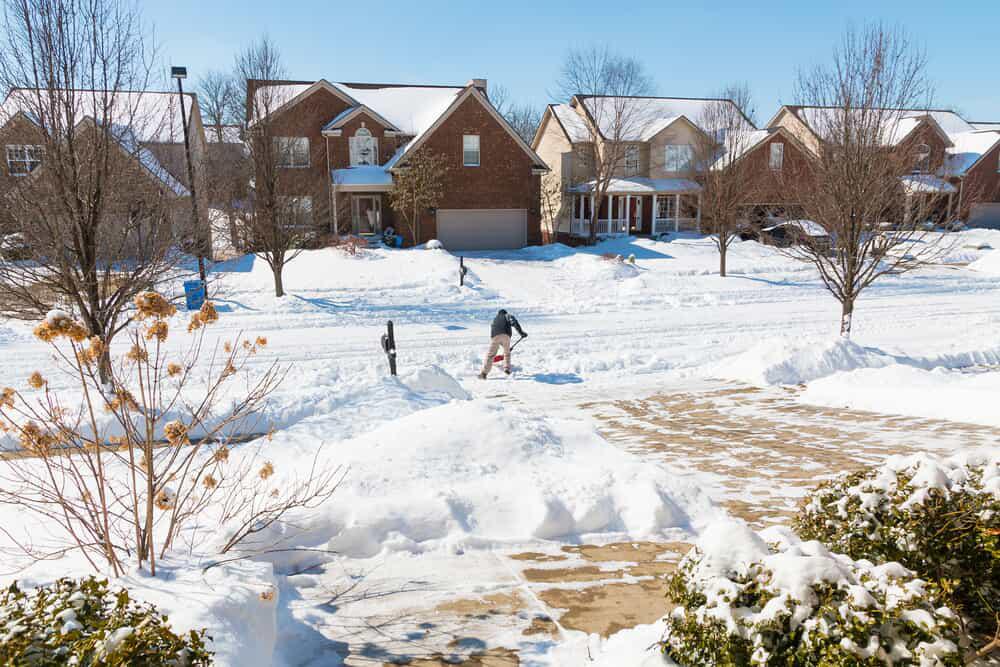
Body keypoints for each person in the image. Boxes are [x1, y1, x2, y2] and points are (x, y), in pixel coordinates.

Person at [479, 309, 526, 378]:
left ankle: (484, 373)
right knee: (507, 353)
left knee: (491, 355)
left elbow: (493, 330)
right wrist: (521, 333)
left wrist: (496, 342)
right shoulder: (508, 315)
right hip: (506, 336)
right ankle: (507, 369)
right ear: (505, 312)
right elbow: (514, 322)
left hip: (494, 337)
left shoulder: (495, 319)